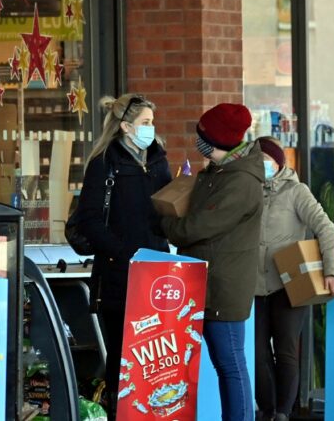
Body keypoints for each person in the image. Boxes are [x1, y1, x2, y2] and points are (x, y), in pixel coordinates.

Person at [161, 103, 264, 421]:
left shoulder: (240, 182)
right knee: (225, 364)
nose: (199, 141)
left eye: (203, 136)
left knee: (231, 365)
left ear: (218, 141)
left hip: (224, 288)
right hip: (205, 282)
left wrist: (165, 224)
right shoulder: (218, 172)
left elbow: (198, 227)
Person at [75, 93, 171, 418]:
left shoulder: (158, 159)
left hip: (157, 272)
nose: (151, 128)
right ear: (126, 127)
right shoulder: (105, 162)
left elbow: (164, 211)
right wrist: (123, 253)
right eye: (145, 123)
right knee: (123, 357)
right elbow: (88, 219)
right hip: (119, 275)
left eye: (152, 122)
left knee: (156, 358)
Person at [254, 137, 334, 421]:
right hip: (253, 285)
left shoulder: (297, 191)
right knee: (257, 355)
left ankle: (283, 412)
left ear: (278, 163)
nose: (260, 167)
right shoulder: (246, 191)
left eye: (265, 161)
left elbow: (326, 229)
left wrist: (332, 270)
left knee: (286, 349)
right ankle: (267, 409)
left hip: (289, 283)